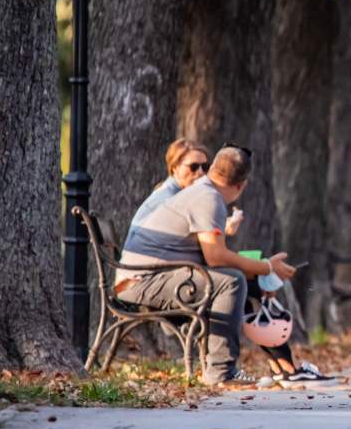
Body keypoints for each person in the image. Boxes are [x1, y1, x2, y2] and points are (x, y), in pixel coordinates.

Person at [126, 139, 335, 388]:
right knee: (233, 281)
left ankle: (286, 368)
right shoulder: (207, 198)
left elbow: (211, 254)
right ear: (241, 185)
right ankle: (222, 371)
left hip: (155, 276)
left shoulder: (202, 192)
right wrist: (267, 267)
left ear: (213, 167)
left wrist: (258, 271)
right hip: (141, 282)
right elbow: (215, 257)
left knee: (242, 278)